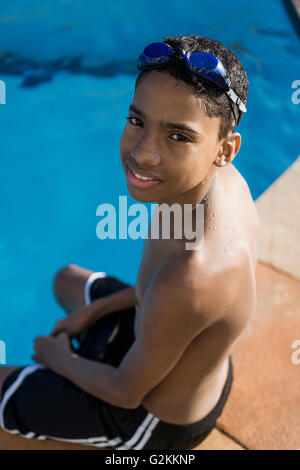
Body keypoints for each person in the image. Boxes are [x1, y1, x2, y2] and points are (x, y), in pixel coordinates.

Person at [0, 34, 259, 450]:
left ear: (224, 149)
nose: (142, 153)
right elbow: (155, 289)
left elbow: (125, 391)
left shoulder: (194, 277)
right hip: (162, 338)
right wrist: (98, 309)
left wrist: (58, 359)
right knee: (66, 280)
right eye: (138, 121)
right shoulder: (211, 183)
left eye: (178, 136)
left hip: (154, 418)